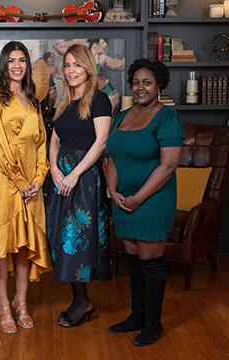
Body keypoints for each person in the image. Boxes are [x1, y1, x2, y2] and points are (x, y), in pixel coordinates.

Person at [106, 58, 184, 346]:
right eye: (136, 82)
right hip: (123, 199)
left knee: (150, 261)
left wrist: (139, 197)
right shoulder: (121, 116)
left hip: (152, 199)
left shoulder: (167, 118)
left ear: (159, 86)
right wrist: (113, 191)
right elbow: (112, 155)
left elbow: (168, 165)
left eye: (147, 82)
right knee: (133, 258)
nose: (140, 87)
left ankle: (153, 324)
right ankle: (136, 316)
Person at [0, 41, 52, 334]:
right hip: (7, 185)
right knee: (4, 247)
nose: (17, 65)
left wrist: (38, 180)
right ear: (4, 65)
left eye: (22, 60)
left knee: (24, 248)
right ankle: (5, 306)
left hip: (32, 186)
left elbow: (43, 142)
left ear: (27, 65)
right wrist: (21, 183)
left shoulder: (33, 100)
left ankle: (22, 302)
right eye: (12, 60)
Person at [46, 44, 112, 327]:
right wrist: (53, 169)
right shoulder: (62, 102)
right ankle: (80, 300)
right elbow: (54, 141)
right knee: (62, 241)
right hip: (62, 178)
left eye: (77, 65)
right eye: (67, 65)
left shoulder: (99, 100)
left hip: (83, 180)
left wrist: (74, 175)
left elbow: (100, 143)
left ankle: (82, 302)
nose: (71, 70)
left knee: (78, 243)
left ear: (88, 68)